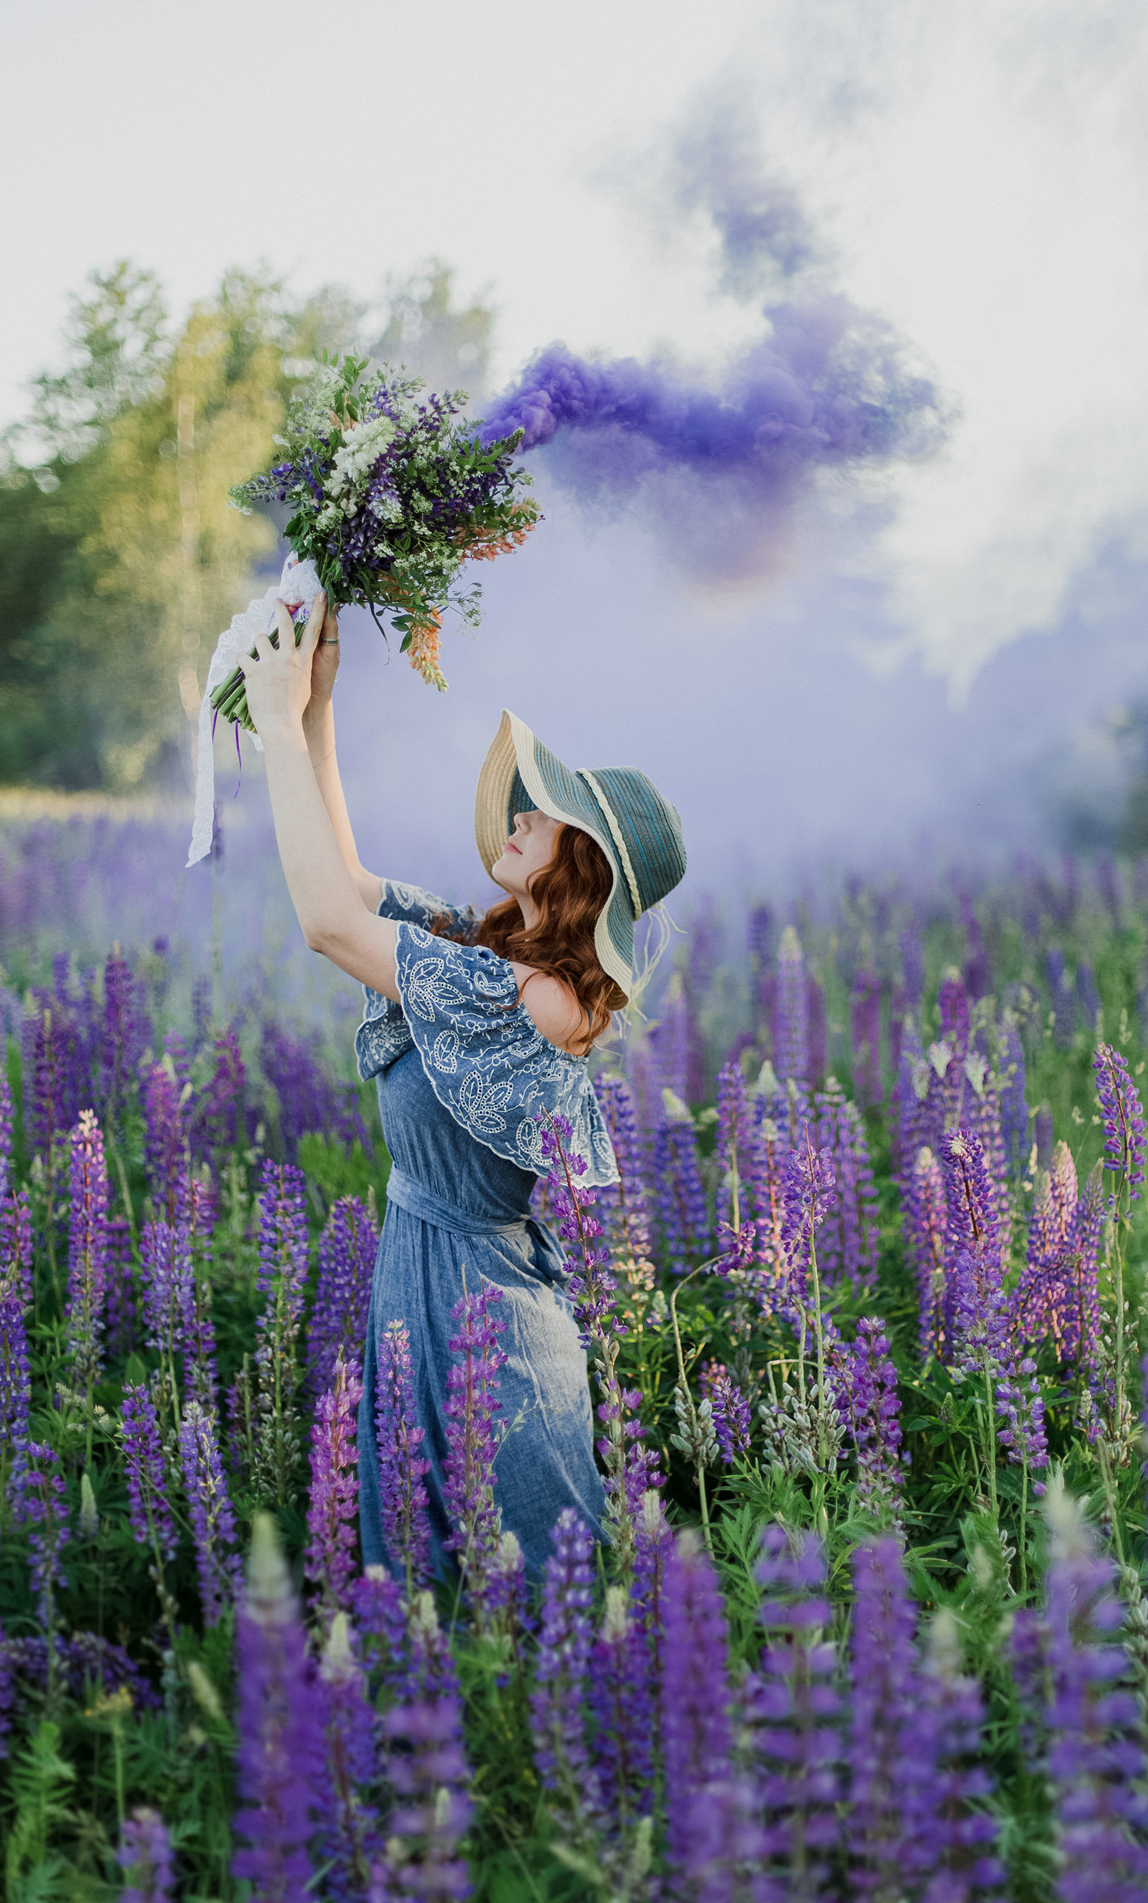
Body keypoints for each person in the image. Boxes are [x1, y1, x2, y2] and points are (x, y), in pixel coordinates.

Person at [236, 591, 687, 1576]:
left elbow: (325, 923)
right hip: (421, 1283)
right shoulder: (482, 953)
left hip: (489, 1321)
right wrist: (314, 708)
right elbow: (349, 884)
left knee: (528, 1606)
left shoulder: (528, 997)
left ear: (583, 871)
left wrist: (268, 724)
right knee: (428, 1596)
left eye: (550, 814)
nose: (522, 811)